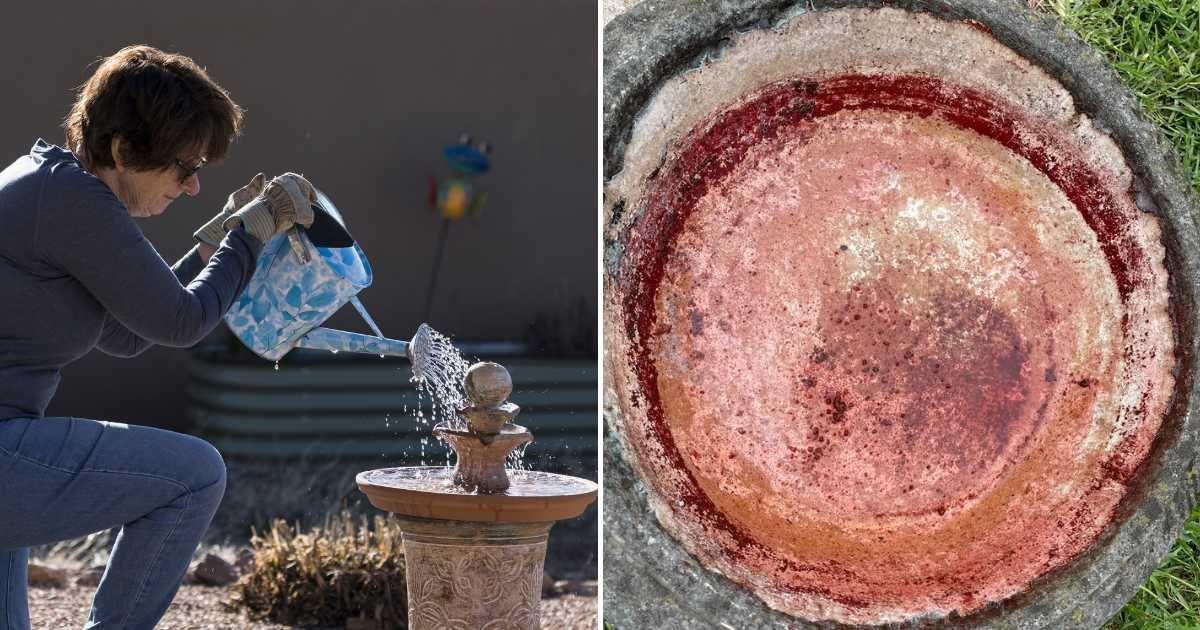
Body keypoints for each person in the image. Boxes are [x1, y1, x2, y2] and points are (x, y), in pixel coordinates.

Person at [0, 45, 315, 629]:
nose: (192, 186)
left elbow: (128, 333)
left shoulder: (50, 188)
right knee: (194, 476)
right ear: (123, 149)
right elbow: (180, 321)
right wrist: (247, 239)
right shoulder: (75, 202)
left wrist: (211, 247)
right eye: (184, 167)